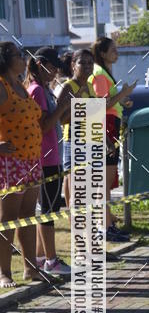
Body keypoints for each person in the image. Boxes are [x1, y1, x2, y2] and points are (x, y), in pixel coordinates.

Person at [26, 47, 73, 276]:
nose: (55, 71)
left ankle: (40, 256)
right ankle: (51, 260)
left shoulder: (44, 89)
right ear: (39, 63)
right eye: (52, 66)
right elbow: (44, 125)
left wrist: (67, 109)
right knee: (48, 212)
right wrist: (63, 107)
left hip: (51, 156)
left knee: (47, 208)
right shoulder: (37, 91)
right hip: (45, 158)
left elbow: (55, 121)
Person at [0, 42, 43, 287]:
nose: (23, 59)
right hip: (11, 161)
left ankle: (31, 267)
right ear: (6, 59)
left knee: (28, 215)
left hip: (32, 158)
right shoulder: (1, 85)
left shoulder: (22, 86)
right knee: (8, 219)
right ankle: (4, 272)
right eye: (18, 55)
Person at [89, 37, 136, 242]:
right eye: (113, 50)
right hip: (105, 123)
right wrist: (122, 94)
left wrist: (122, 99)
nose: (117, 53)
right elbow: (100, 103)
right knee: (104, 180)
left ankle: (107, 223)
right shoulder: (99, 73)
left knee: (107, 180)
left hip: (111, 122)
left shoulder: (106, 73)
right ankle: (104, 226)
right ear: (102, 53)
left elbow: (110, 100)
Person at [59, 49, 95, 209]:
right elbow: (61, 119)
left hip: (91, 139)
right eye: (82, 62)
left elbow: (94, 115)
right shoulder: (69, 87)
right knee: (78, 191)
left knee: (88, 191)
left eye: (90, 63)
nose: (87, 66)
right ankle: (77, 228)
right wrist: (79, 103)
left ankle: (87, 230)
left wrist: (106, 140)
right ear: (73, 65)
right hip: (75, 142)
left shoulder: (89, 86)